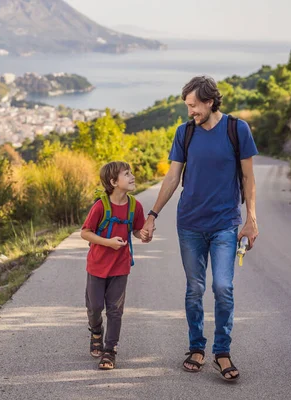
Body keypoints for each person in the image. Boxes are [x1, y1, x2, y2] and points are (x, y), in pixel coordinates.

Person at [140, 76, 259, 381]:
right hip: (190, 224)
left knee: (223, 287)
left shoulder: (237, 129)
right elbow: (171, 178)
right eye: (188, 106)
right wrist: (152, 214)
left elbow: (248, 179)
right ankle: (196, 347)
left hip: (225, 224)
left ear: (209, 101)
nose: (190, 111)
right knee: (194, 289)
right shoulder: (185, 133)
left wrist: (252, 218)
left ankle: (222, 351)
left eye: (193, 105)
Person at [80, 161, 146, 370]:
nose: (132, 176)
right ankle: (96, 331)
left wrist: (142, 234)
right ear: (113, 182)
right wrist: (109, 242)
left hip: (120, 266)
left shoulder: (135, 206)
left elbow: (136, 229)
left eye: (131, 173)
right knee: (95, 307)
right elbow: (85, 232)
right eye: (127, 174)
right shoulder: (100, 206)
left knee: (115, 310)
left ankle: (110, 350)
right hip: (98, 266)